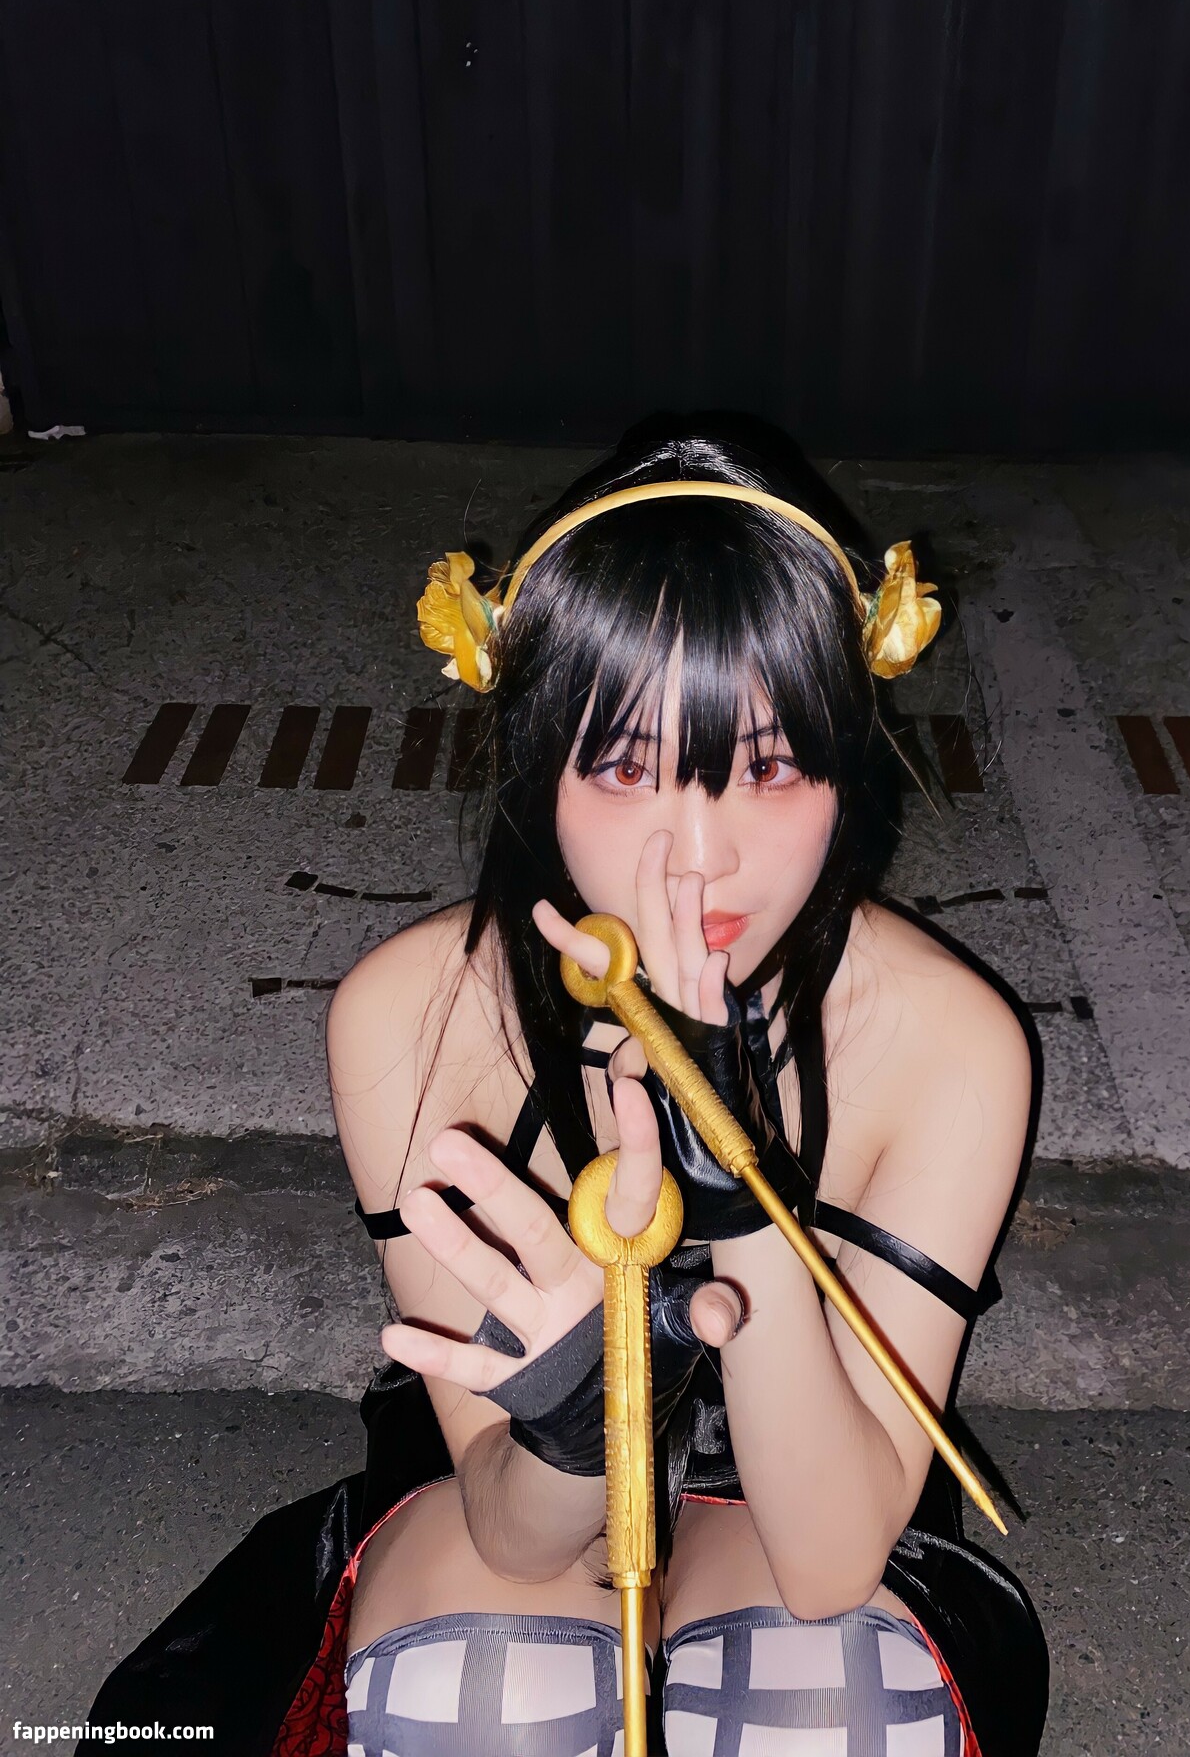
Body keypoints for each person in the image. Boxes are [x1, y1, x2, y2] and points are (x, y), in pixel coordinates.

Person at [89, 420, 1048, 1757]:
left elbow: (830, 1561)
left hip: (812, 1504)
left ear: (848, 769)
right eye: (623, 766)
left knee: (819, 1706)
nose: (697, 856)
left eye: (769, 766)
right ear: (538, 766)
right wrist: (580, 1416)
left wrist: (745, 1207)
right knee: (491, 1699)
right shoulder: (415, 1014)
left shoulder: (946, 1038)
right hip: (508, 1505)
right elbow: (513, 1532)